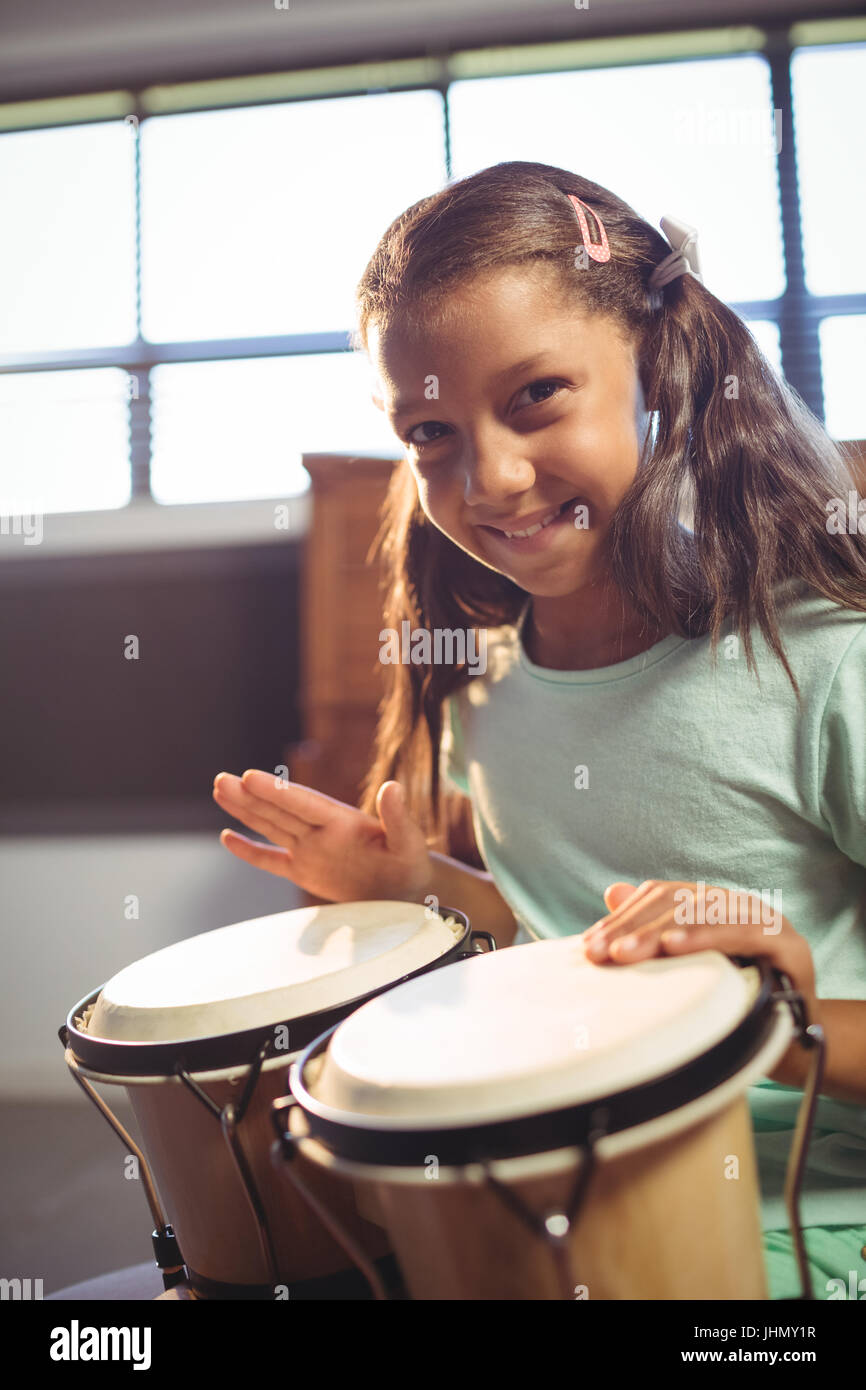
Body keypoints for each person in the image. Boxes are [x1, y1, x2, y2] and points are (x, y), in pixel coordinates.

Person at [213, 161, 866, 1302]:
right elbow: (557, 935)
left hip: (793, 1230)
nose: (491, 476)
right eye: (429, 431)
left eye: (534, 397)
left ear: (654, 371)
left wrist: (791, 1014)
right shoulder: (483, 695)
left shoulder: (822, 663)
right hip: (530, 1190)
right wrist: (425, 882)